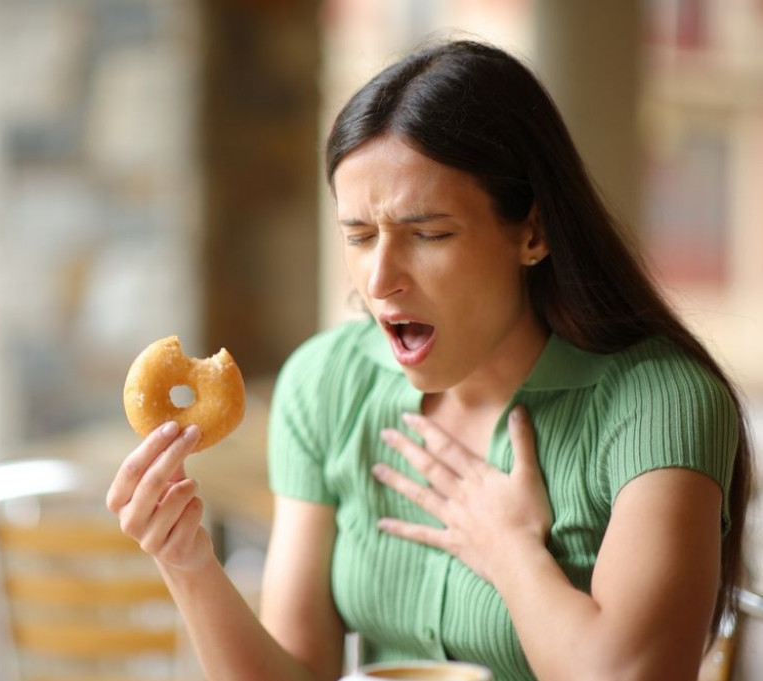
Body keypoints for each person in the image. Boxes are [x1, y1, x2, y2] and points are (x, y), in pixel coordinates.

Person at [105, 39, 754, 681]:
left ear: (532, 231)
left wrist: (509, 550)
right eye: (358, 236)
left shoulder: (661, 403)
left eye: (429, 234)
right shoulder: (326, 384)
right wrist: (188, 562)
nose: (380, 278)